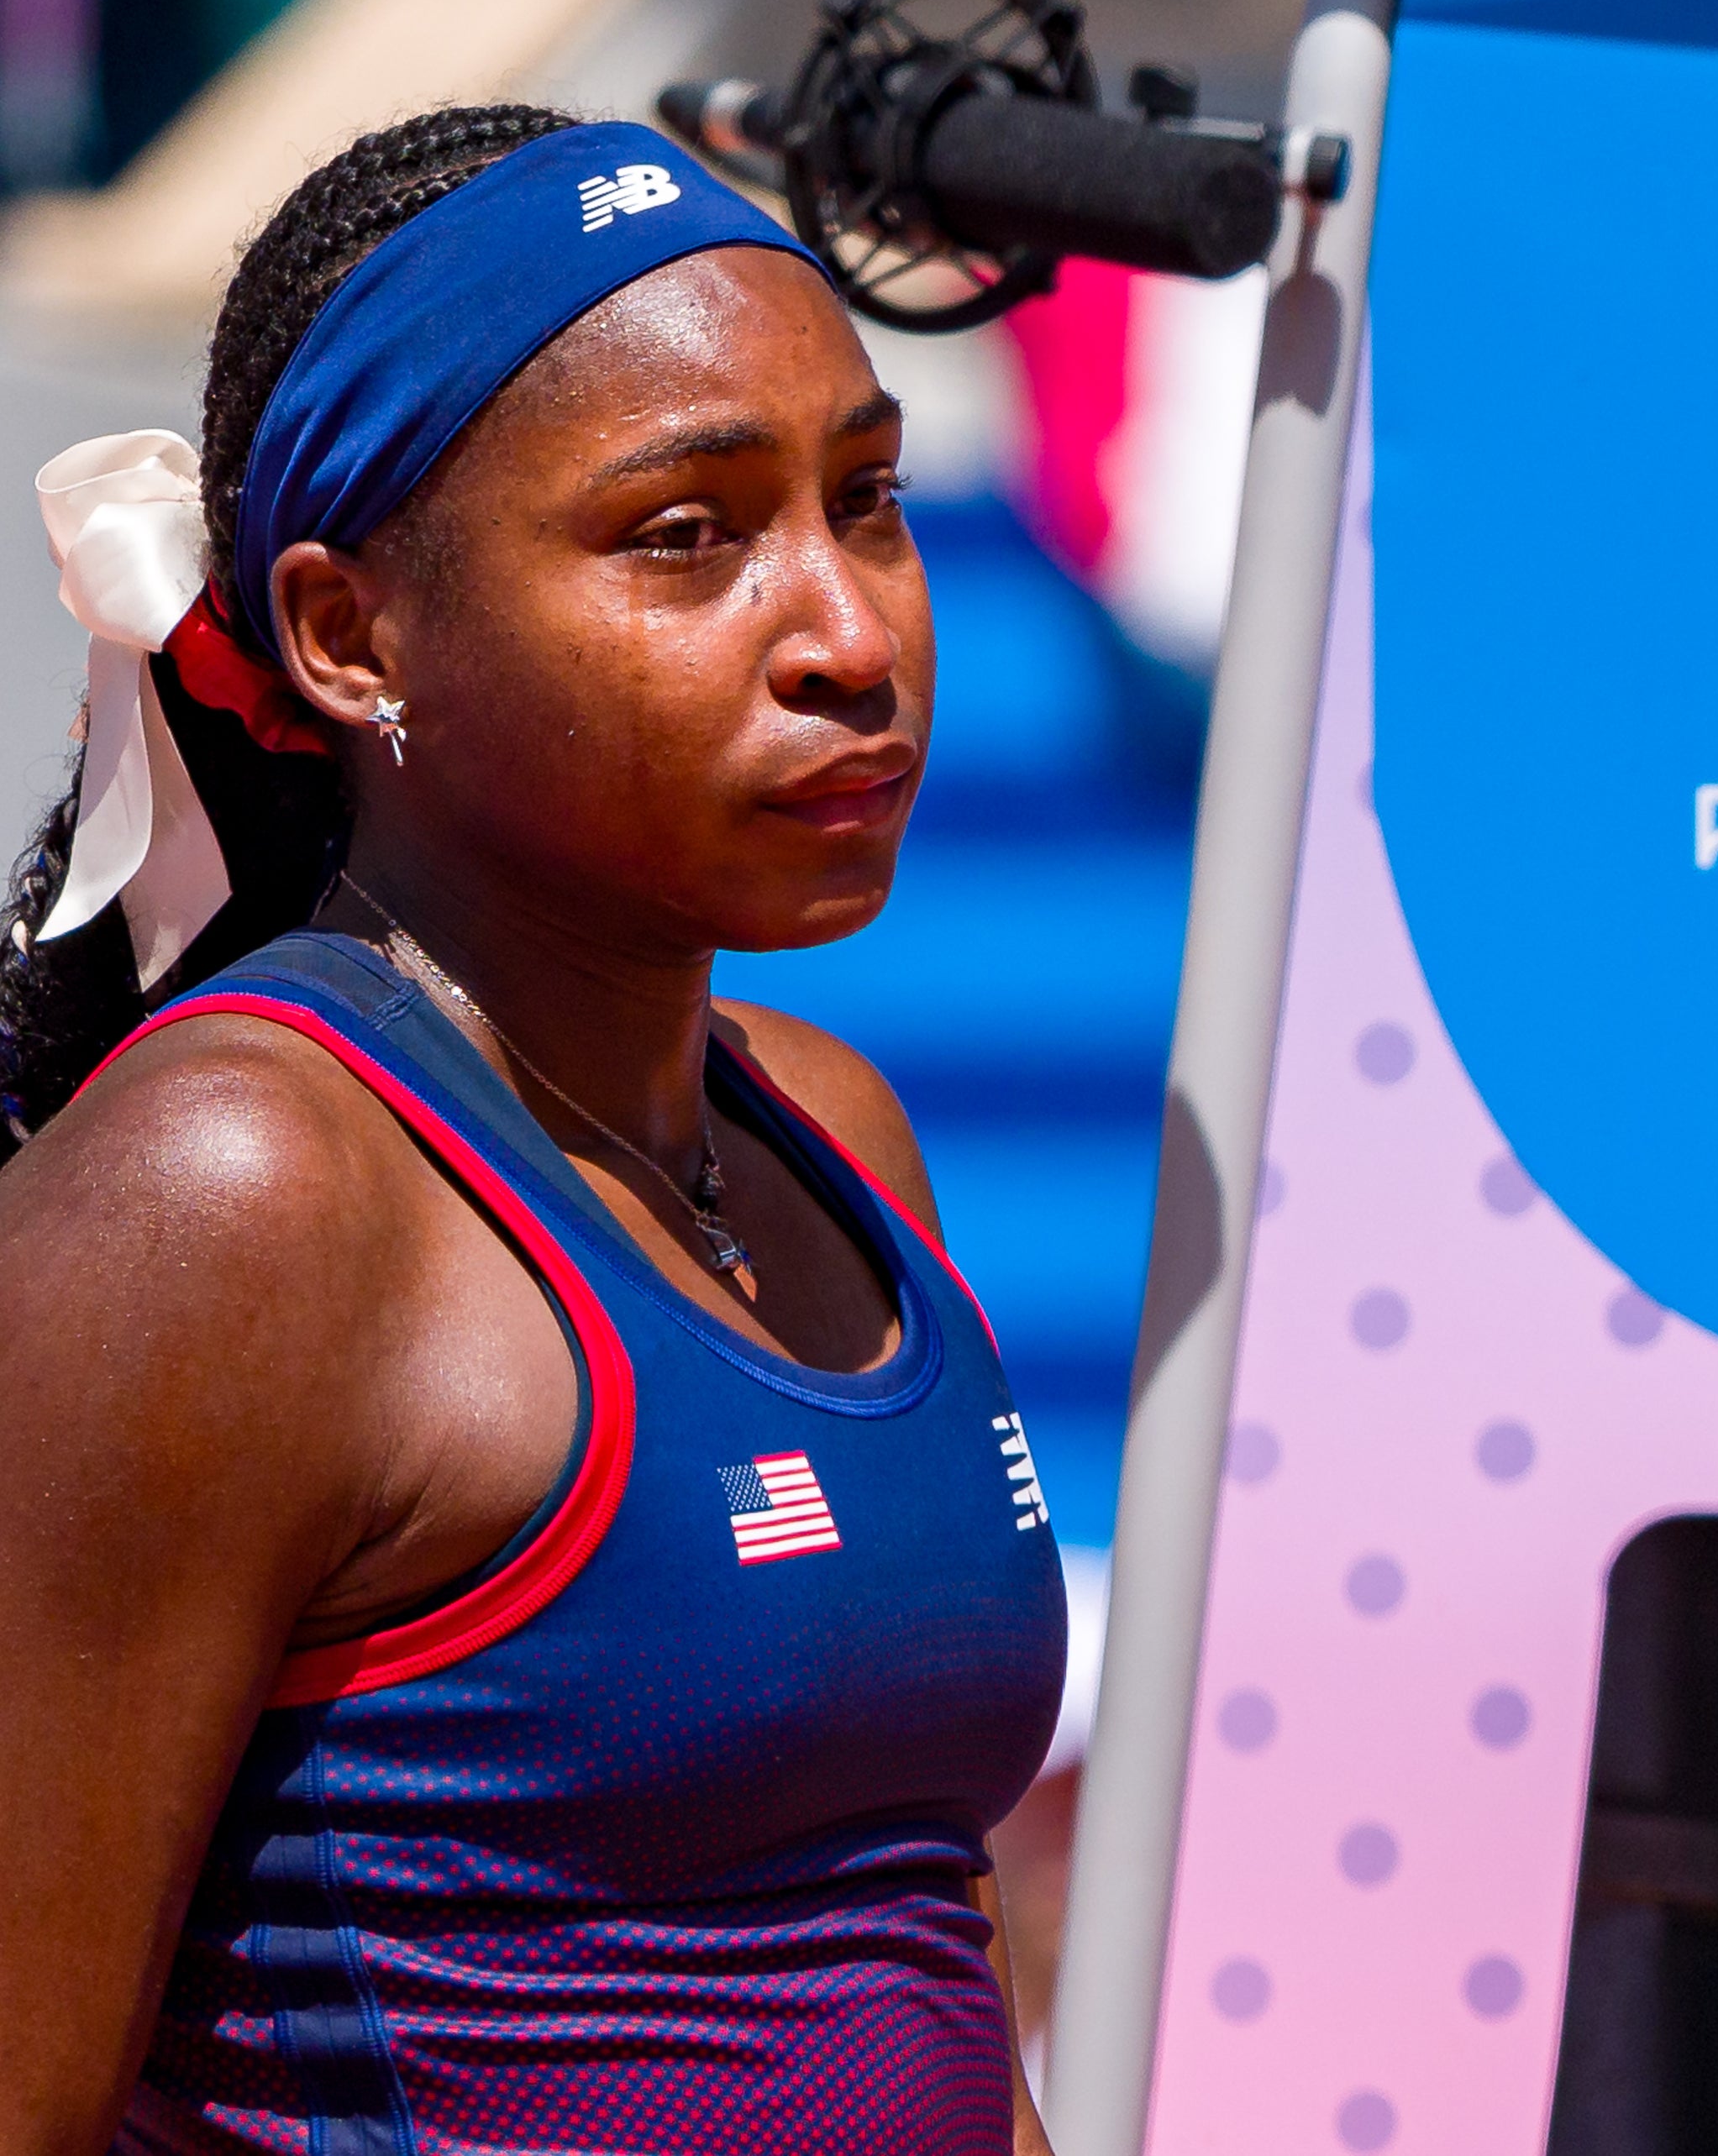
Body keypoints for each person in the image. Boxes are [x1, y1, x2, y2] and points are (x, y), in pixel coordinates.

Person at [0, 105, 1067, 2155]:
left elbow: (911, 1975)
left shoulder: (834, 1136)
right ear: (348, 636)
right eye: (688, 535)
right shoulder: (240, 1193)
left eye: (870, 498)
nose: (849, 630)